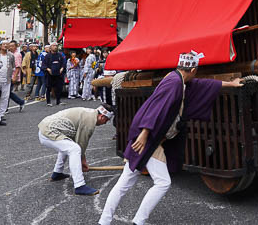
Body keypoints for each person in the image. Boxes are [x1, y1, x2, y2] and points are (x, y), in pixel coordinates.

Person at [99, 51, 243, 225]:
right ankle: (136, 221)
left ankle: (105, 221)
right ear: (193, 70)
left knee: (127, 182)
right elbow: (156, 107)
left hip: (151, 139)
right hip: (147, 139)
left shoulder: (177, 78)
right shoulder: (174, 83)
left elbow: (203, 84)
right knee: (160, 183)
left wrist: (230, 83)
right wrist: (144, 134)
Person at [37, 103, 115, 195]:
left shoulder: (89, 113)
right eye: (106, 120)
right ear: (102, 116)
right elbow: (81, 143)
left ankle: (57, 173)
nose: (105, 123)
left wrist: (82, 160)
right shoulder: (89, 121)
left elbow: (77, 140)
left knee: (68, 145)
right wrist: (83, 162)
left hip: (47, 128)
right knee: (74, 149)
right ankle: (79, 185)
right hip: (48, 132)